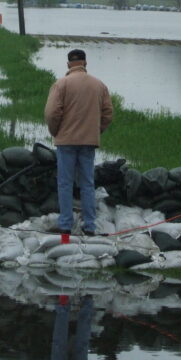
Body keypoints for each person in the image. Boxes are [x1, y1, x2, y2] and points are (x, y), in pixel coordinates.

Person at [44, 48, 113, 235]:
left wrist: (55, 131)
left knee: (65, 184)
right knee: (87, 184)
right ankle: (89, 225)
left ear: (68, 64)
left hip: (66, 142)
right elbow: (108, 113)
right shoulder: (99, 85)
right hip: (89, 142)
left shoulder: (61, 84)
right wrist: (96, 130)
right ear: (85, 63)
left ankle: (66, 225)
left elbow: (51, 113)